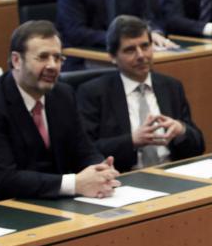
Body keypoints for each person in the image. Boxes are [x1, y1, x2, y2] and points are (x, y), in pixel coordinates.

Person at [0, 20, 119, 204]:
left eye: (57, 58)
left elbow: (83, 149)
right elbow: (6, 179)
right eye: (43, 57)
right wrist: (75, 183)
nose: (53, 65)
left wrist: (100, 170)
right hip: (3, 207)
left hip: (54, 201)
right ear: (17, 60)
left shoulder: (63, 95)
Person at [77, 16, 204, 172]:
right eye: (130, 50)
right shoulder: (93, 93)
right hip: (124, 177)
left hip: (172, 172)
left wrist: (181, 130)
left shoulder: (171, 86)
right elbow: (85, 152)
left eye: (145, 46)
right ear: (113, 56)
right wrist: (132, 141)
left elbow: (199, 145)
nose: (141, 56)